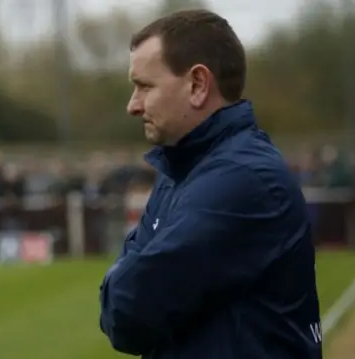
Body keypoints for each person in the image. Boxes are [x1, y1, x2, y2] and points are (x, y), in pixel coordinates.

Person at [98, 9, 322, 359]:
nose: (133, 105)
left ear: (198, 85)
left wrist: (121, 280)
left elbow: (130, 310)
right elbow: (125, 304)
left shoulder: (243, 178)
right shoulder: (181, 170)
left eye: (144, 86)